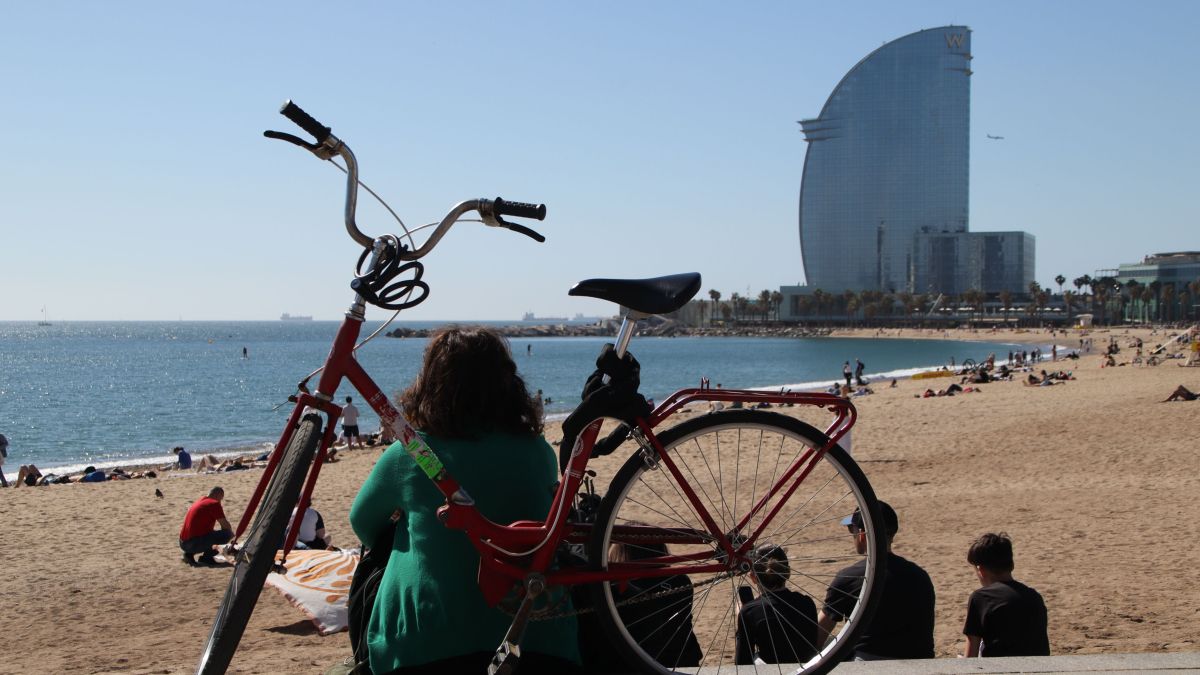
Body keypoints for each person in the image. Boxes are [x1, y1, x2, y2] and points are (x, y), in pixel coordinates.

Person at [349, 326, 580, 674]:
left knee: (384, 546)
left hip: (426, 645)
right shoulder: (538, 452)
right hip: (540, 640)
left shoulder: (410, 454)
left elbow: (363, 525)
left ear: (432, 383)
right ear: (508, 384)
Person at [818, 501, 935, 660]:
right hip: (920, 662)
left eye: (851, 530)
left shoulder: (849, 578)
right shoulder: (920, 576)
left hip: (869, 662)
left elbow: (818, 635)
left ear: (861, 535)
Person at [962, 532, 1049, 657]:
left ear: (981, 571)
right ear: (1011, 565)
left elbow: (971, 656)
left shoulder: (981, 598)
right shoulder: (1034, 596)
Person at [736, 544, 818, 665]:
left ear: (753, 577)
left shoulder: (750, 612)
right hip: (808, 668)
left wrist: (741, 618)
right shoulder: (807, 602)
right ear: (788, 573)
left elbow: (742, 662)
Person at [179, 486, 233, 566]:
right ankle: (206, 558)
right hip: (193, 543)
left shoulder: (200, 501)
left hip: (183, 542)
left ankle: (189, 554)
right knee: (227, 534)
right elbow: (225, 526)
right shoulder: (213, 503)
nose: (220, 502)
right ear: (218, 495)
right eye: (221, 499)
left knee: (211, 534)